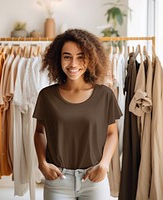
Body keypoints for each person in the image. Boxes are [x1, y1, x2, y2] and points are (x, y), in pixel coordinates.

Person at [33, 28, 122, 200]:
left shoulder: (105, 94)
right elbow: (39, 132)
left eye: (81, 57)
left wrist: (104, 165)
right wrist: (42, 163)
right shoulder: (47, 96)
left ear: (91, 58)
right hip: (58, 180)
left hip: (94, 178)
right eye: (67, 56)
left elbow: (112, 133)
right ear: (58, 59)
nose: (73, 64)